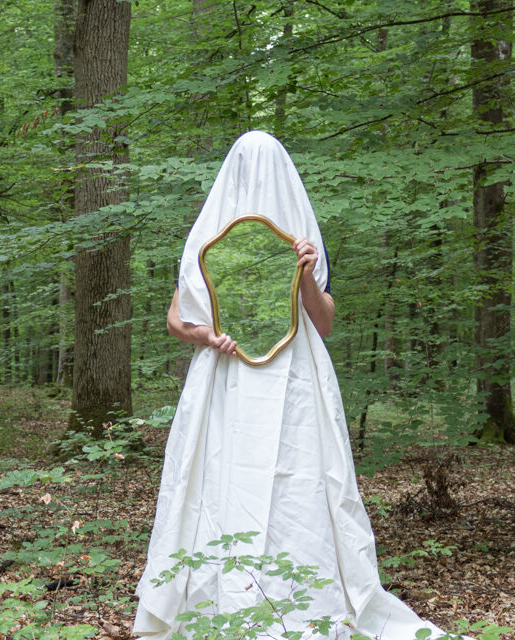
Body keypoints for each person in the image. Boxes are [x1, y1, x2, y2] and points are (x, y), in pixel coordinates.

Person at [134, 131, 461, 640]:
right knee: (217, 477)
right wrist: (207, 335)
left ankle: (303, 599)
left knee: (301, 480)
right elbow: (176, 319)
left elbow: (323, 323)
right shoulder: (207, 239)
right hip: (224, 382)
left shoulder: (301, 239)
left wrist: (307, 271)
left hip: (296, 383)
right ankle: (216, 601)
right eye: (248, 164)